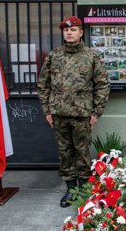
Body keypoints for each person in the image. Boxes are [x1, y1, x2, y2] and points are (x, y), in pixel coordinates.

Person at [37, 16, 110, 207]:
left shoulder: (91, 57)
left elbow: (102, 85)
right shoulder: (54, 56)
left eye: (73, 30)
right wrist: (47, 110)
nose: (69, 33)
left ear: (81, 33)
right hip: (59, 114)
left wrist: (96, 112)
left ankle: (84, 190)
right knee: (64, 152)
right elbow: (43, 84)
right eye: (66, 30)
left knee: (82, 152)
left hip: (82, 114)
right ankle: (71, 189)